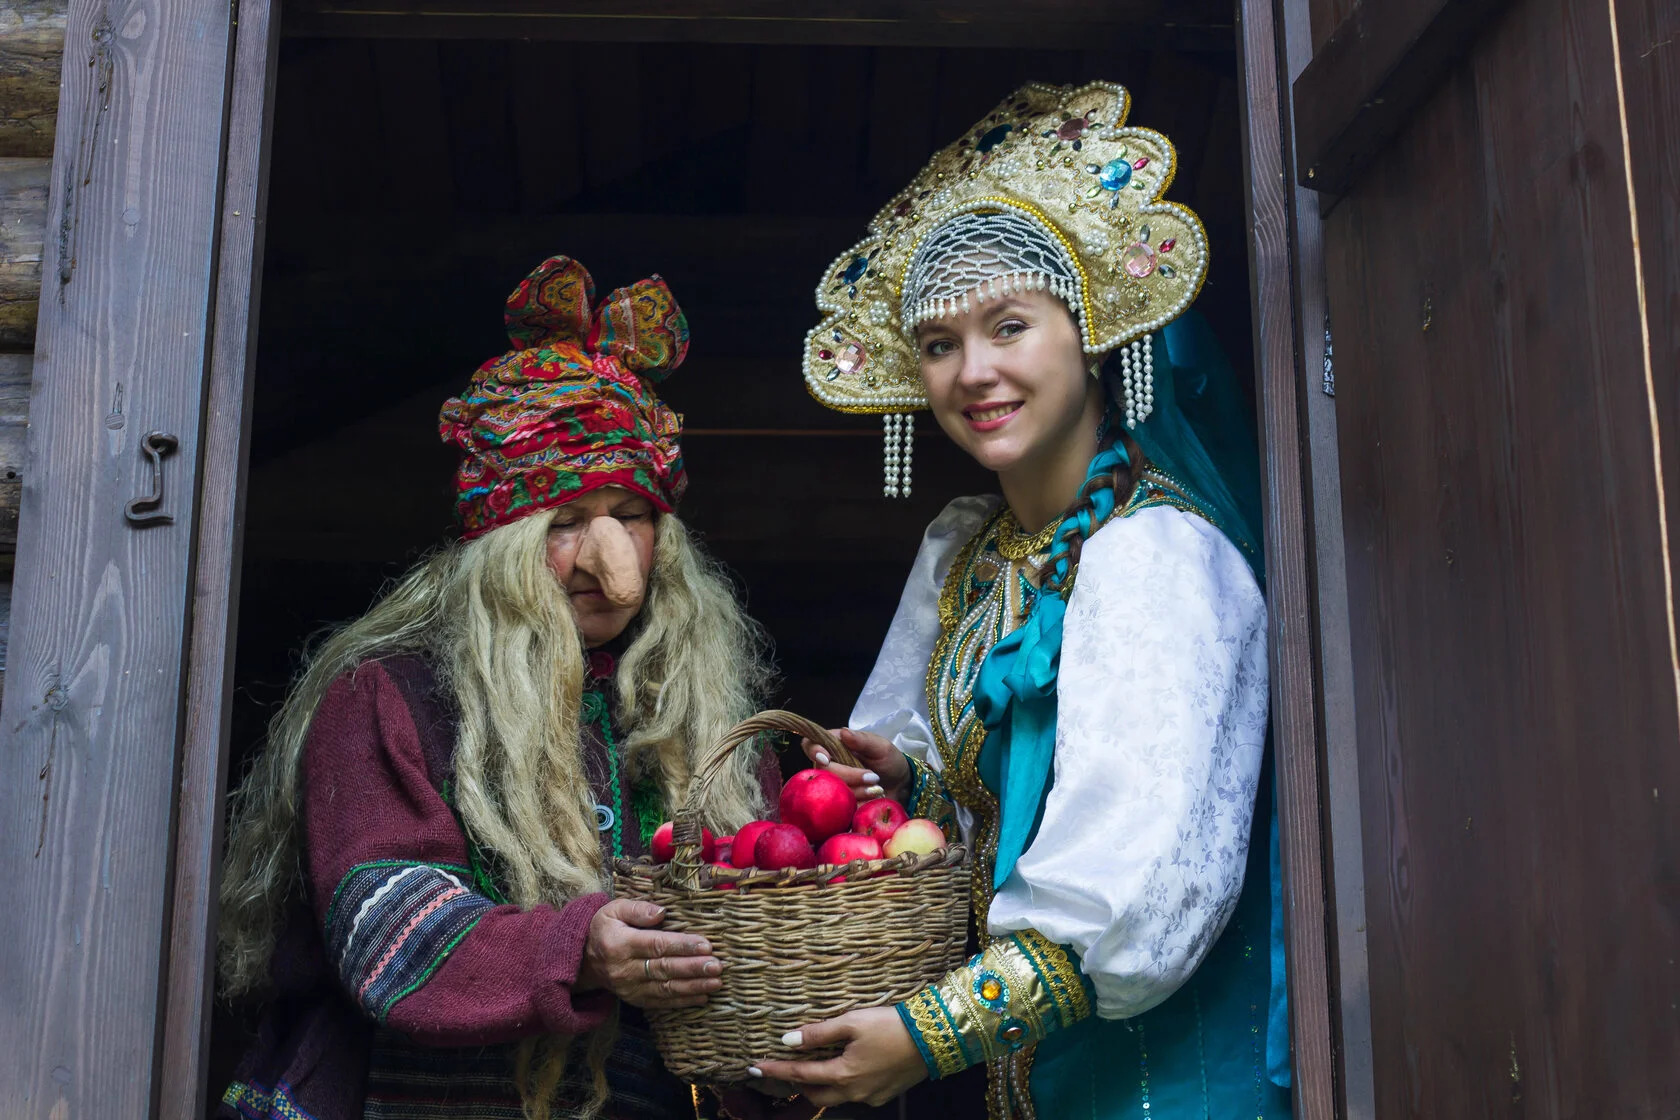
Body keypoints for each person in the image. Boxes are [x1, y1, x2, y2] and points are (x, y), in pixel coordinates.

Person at [752, 81, 1293, 1118]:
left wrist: (924, 1034)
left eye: (1009, 326)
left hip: (1151, 1089)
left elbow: (1140, 898)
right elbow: (977, 816)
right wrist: (902, 778)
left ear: (1091, 336)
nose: (973, 372)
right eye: (940, 342)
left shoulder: (1159, 559)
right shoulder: (966, 557)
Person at [216, 256, 782, 1120]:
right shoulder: (392, 693)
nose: (610, 561)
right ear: (501, 544)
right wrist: (576, 947)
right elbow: (384, 926)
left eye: (631, 518)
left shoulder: (705, 723)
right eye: (564, 524)